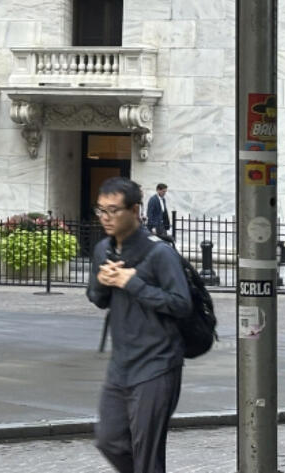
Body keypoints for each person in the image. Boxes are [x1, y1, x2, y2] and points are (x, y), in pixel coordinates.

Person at [86, 177, 191, 473]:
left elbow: (181, 304)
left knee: (146, 455)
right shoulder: (103, 250)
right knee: (109, 440)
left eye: (113, 210)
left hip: (158, 365)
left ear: (134, 210)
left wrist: (134, 284)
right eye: (101, 210)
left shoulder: (160, 253)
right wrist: (102, 283)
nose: (106, 218)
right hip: (121, 365)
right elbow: (97, 298)